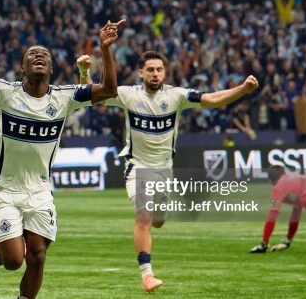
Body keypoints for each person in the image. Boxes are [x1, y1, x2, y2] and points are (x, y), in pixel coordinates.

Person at [0, 4, 121, 299]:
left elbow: (108, 90)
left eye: (45, 55)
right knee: (13, 261)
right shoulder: (4, 92)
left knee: (38, 257)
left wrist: (105, 49)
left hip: (40, 192)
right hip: (6, 190)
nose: (39, 56)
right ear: (22, 67)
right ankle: (1, 242)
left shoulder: (64, 97)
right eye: (32, 54)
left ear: (51, 69)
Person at [78, 50, 258, 292]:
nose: (155, 74)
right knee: (143, 217)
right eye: (150, 70)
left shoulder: (177, 96)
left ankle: (152, 232)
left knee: (158, 222)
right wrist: (84, 72)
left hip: (164, 171)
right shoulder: (128, 94)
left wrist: (243, 89)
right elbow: (92, 95)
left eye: (159, 69)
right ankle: (147, 275)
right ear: (140, 73)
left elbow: (215, 99)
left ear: (165, 72)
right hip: (137, 167)